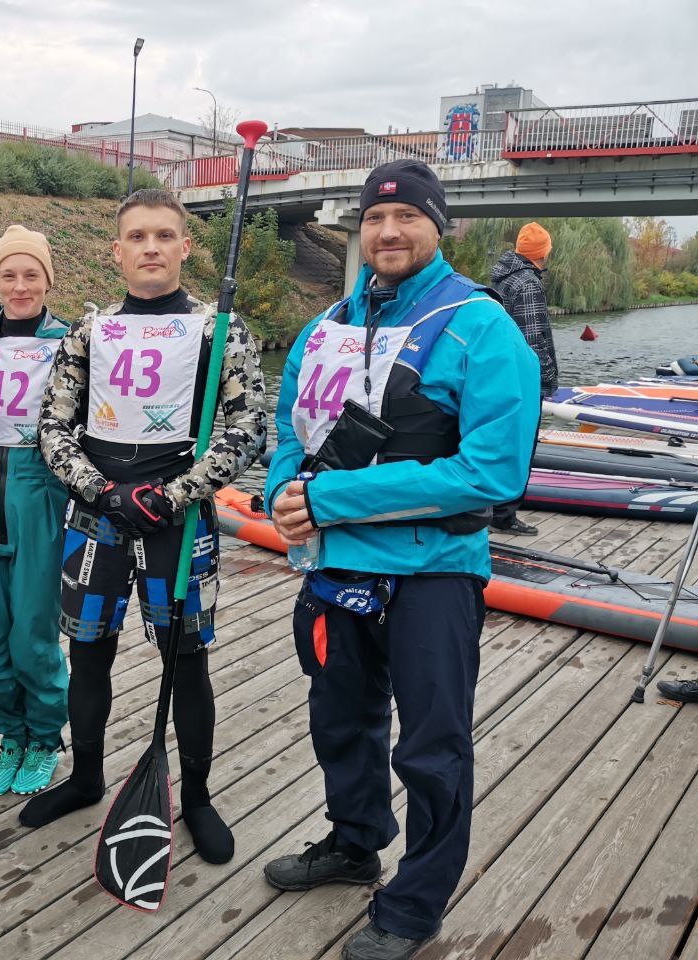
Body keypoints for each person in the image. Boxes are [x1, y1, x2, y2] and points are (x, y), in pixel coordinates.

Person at [261, 159, 539, 960]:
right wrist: (286, 488)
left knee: (431, 743)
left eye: (408, 217)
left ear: (436, 225)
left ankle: (416, 900)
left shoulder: (482, 327)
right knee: (340, 720)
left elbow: (493, 472)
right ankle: (354, 843)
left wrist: (329, 500)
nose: (389, 231)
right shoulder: (327, 326)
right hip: (333, 567)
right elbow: (291, 428)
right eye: (376, 219)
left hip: (433, 572)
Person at [18, 188, 267, 866]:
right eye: (137, 236)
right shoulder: (89, 333)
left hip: (177, 522)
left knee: (186, 662)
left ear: (185, 246)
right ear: (118, 250)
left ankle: (198, 796)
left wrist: (176, 493)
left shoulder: (221, 332)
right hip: (97, 516)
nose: (151, 247)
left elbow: (249, 428)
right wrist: (103, 489)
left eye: (164, 235)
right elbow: (52, 427)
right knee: (88, 653)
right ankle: (87, 776)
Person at [0, 226, 71, 796]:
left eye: (31, 274)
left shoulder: (74, 342)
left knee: (32, 628)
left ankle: (45, 737)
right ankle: (10, 733)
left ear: (47, 280)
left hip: (40, 486)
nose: (20, 286)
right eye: (9, 274)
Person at [489, 220, 557, 536]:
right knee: (521, 445)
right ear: (541, 253)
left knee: (501, 442)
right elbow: (534, 338)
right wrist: (546, 379)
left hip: (499, 374)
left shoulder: (501, 279)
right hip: (522, 379)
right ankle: (504, 515)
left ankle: (491, 508)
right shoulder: (527, 284)